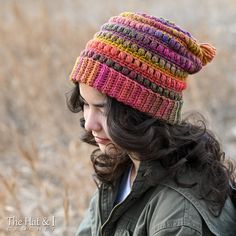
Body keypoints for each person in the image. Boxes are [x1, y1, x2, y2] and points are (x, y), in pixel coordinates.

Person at [67, 12, 236, 236]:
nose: (89, 124)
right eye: (86, 105)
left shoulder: (177, 214)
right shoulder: (124, 167)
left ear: (142, 111)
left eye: (102, 108)